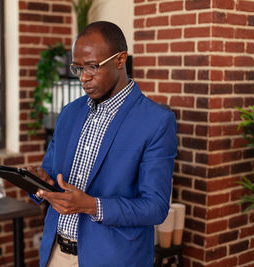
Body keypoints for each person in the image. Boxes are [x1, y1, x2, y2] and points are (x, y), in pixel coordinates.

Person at [30, 21, 177, 267]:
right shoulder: (69, 113)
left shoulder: (156, 121)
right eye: (77, 68)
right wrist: (41, 183)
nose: (83, 78)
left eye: (92, 67)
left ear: (120, 60)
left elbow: (155, 208)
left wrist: (91, 205)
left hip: (114, 259)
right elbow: (51, 173)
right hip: (56, 254)